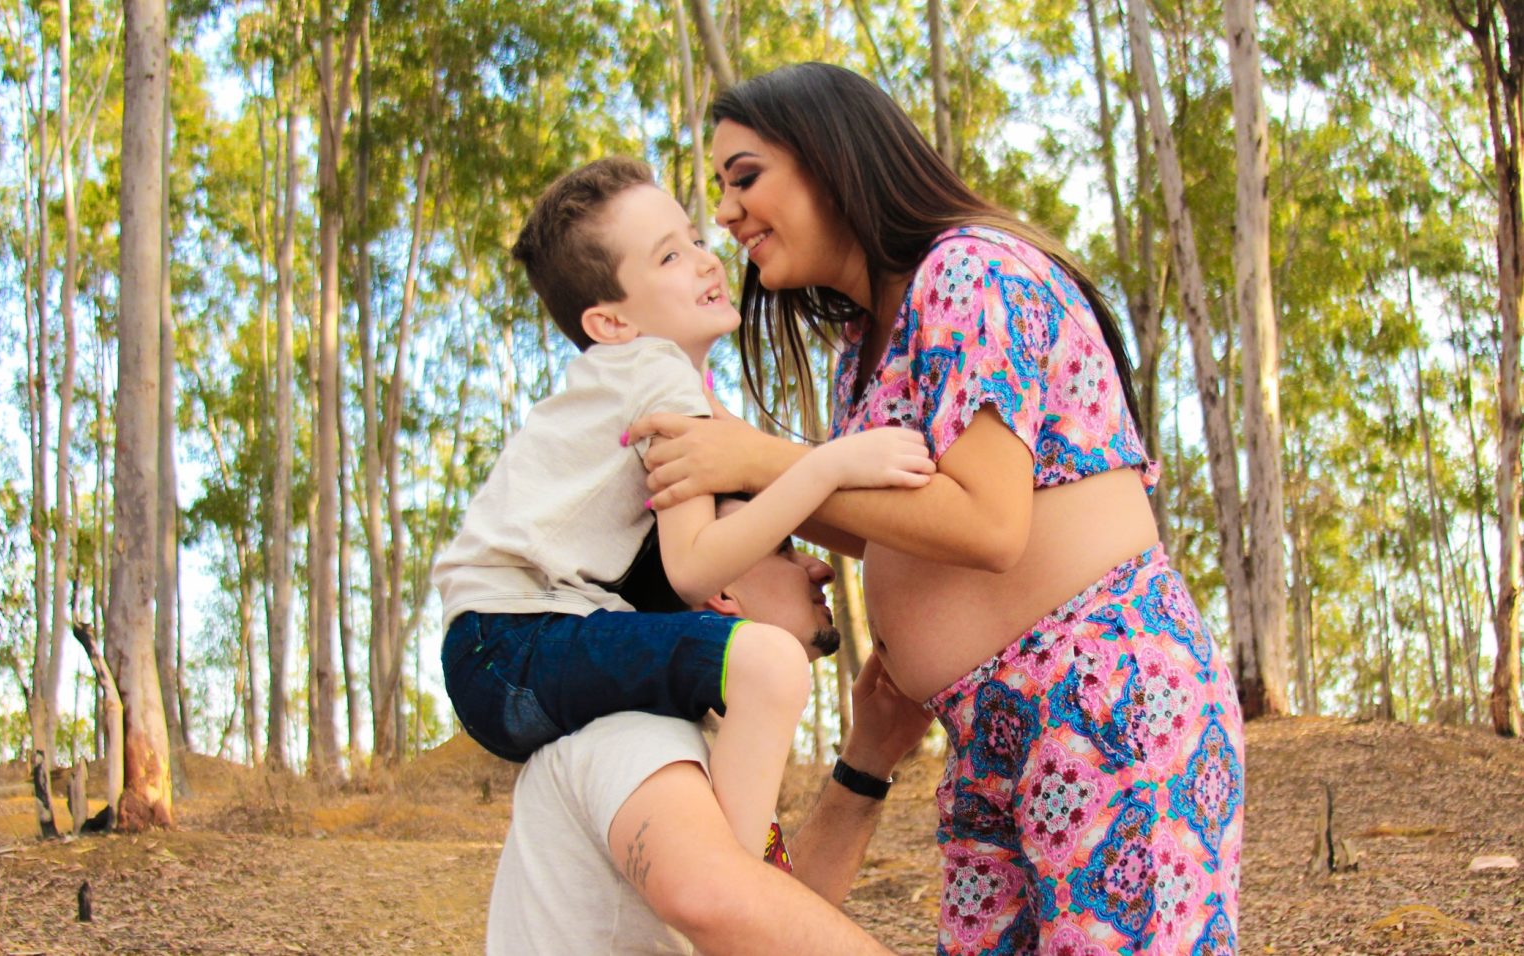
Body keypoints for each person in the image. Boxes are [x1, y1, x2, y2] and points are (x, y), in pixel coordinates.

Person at [628, 63, 1245, 955]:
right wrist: (762, 474)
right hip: (986, 733)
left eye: (745, 176)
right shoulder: (859, 351)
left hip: (1102, 707)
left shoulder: (965, 271)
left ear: (831, 157)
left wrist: (768, 459)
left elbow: (989, 525)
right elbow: (882, 521)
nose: (726, 213)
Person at [435, 157, 934, 859]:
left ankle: (741, 873)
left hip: (502, 652)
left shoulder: (653, 380)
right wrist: (832, 464)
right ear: (610, 321)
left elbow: (748, 466)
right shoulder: (654, 372)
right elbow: (697, 566)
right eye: (670, 255)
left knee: (728, 674)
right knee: (763, 663)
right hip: (513, 640)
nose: (706, 260)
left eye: (696, 239)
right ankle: (740, 892)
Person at [488, 497, 933, 955]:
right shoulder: (634, 730)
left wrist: (870, 757)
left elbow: (772, 919)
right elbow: (714, 901)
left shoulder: (705, 737)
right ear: (719, 590)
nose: (821, 567)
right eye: (783, 550)